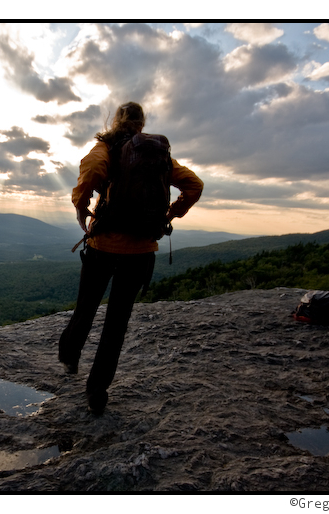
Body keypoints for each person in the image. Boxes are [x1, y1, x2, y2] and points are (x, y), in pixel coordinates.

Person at [58, 101, 203, 416]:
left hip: (103, 245)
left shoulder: (107, 147)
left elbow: (93, 170)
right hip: (141, 252)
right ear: (142, 123)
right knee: (117, 322)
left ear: (117, 120)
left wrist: (81, 205)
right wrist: (171, 212)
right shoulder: (155, 154)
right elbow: (194, 185)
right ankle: (97, 392)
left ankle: (69, 357)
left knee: (86, 306)